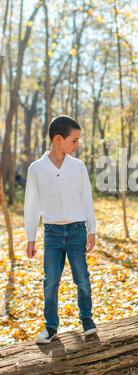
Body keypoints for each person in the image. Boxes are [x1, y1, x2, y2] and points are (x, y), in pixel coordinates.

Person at [24, 115, 97, 344]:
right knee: (51, 281)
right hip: (52, 233)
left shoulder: (78, 167)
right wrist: (30, 237)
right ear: (58, 139)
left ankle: (87, 320)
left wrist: (91, 230)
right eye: (74, 140)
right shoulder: (37, 169)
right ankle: (51, 327)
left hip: (77, 231)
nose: (77, 145)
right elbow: (32, 204)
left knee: (82, 278)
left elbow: (87, 198)